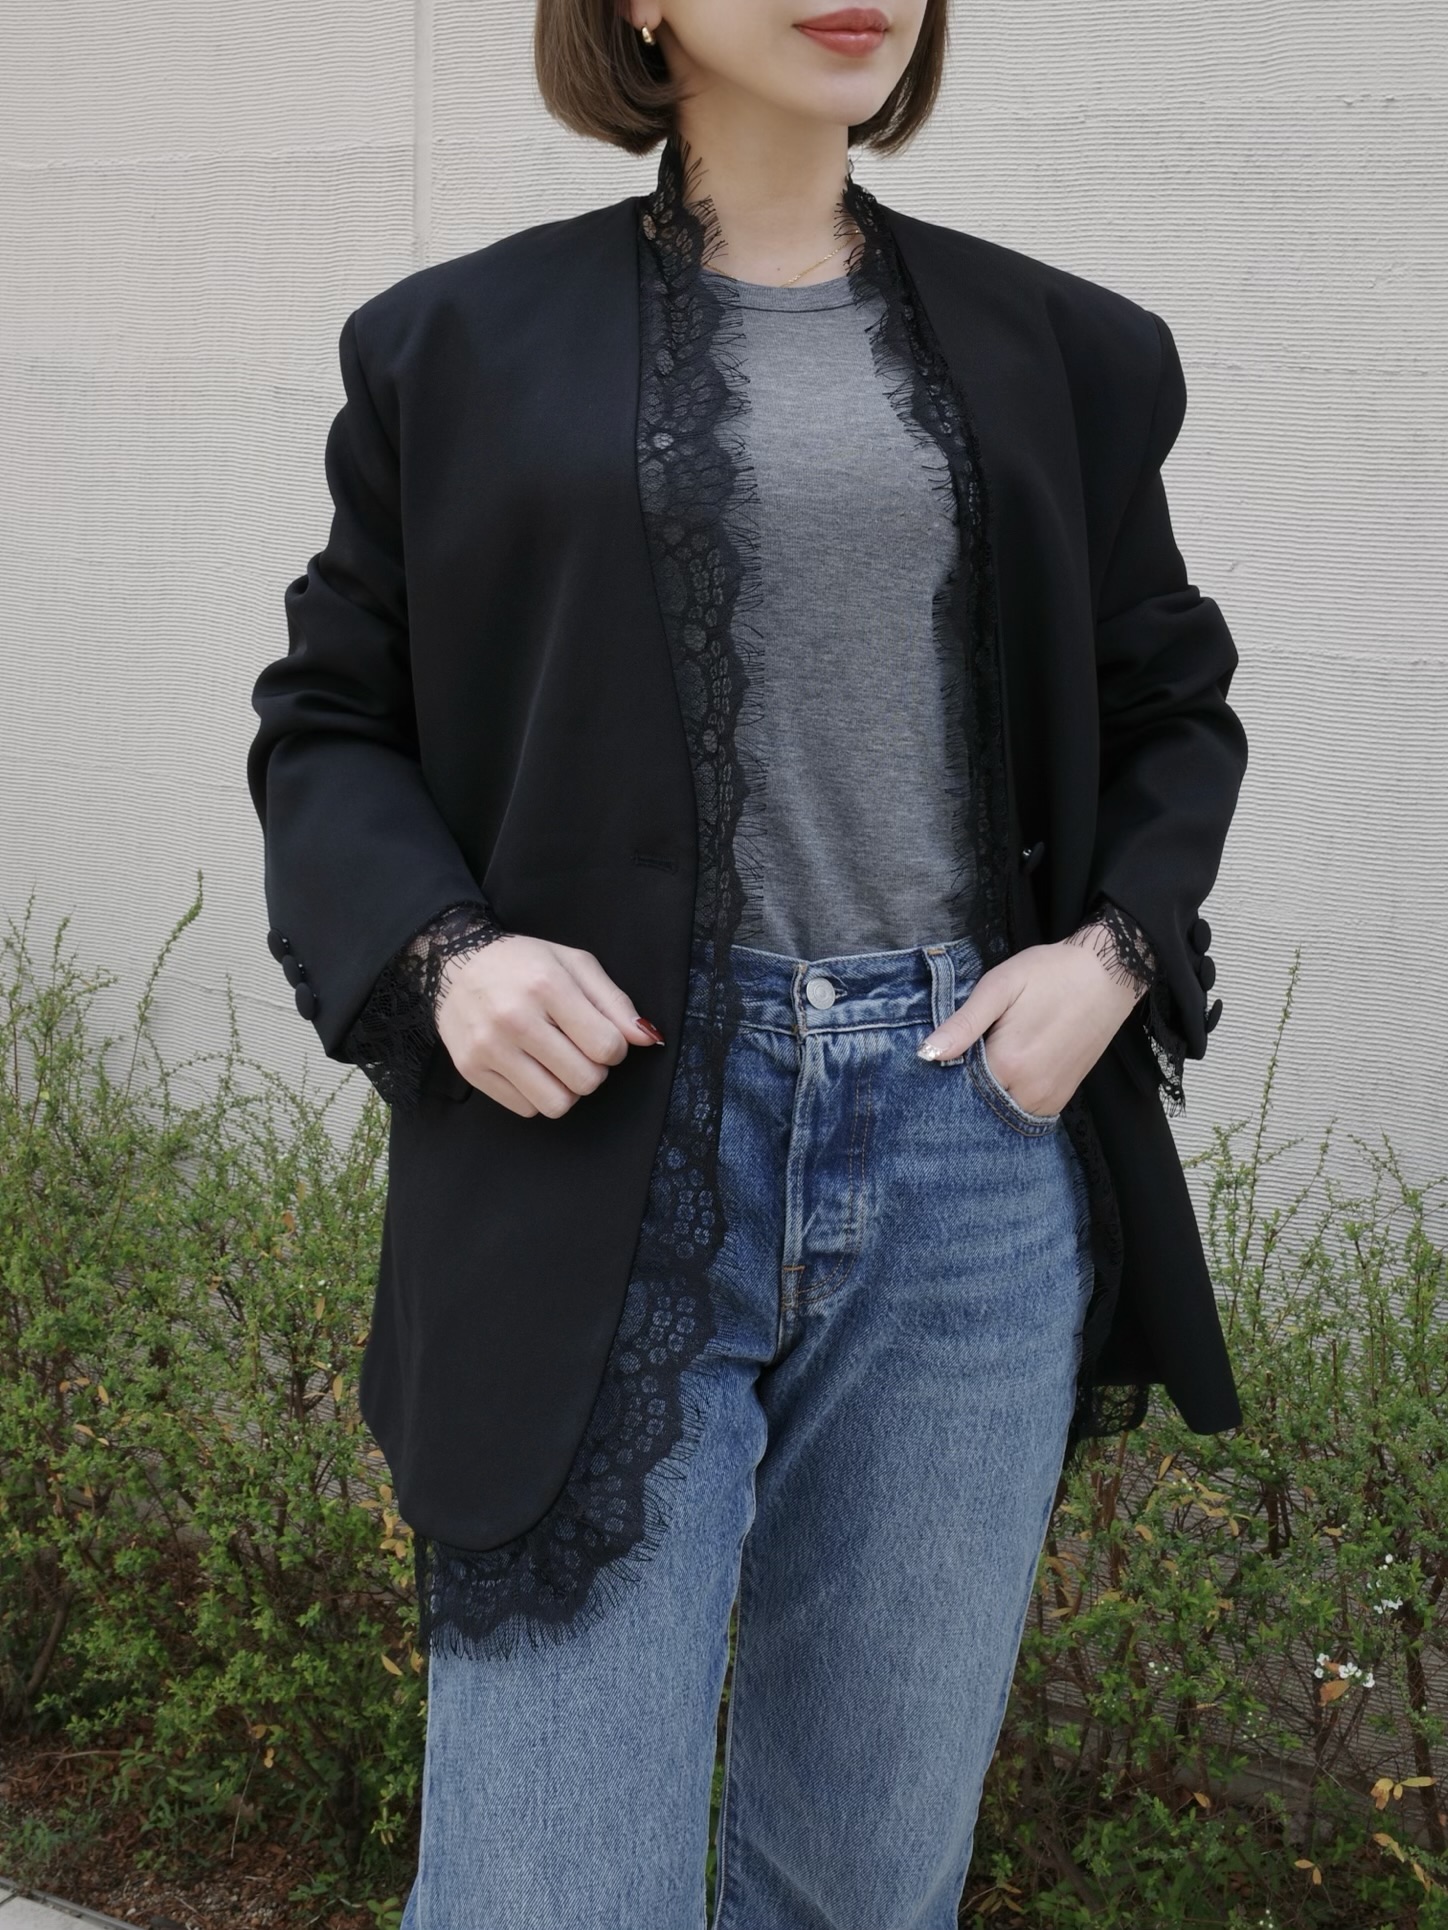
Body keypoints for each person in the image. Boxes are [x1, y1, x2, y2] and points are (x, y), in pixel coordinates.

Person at [246, 1, 1249, 1922]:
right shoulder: (454, 347)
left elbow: (1172, 707)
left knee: (865, 1881)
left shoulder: (1075, 352)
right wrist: (447, 957)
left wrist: (1113, 956)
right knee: (550, 1886)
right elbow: (329, 723)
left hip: (968, 1151)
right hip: (601, 1156)